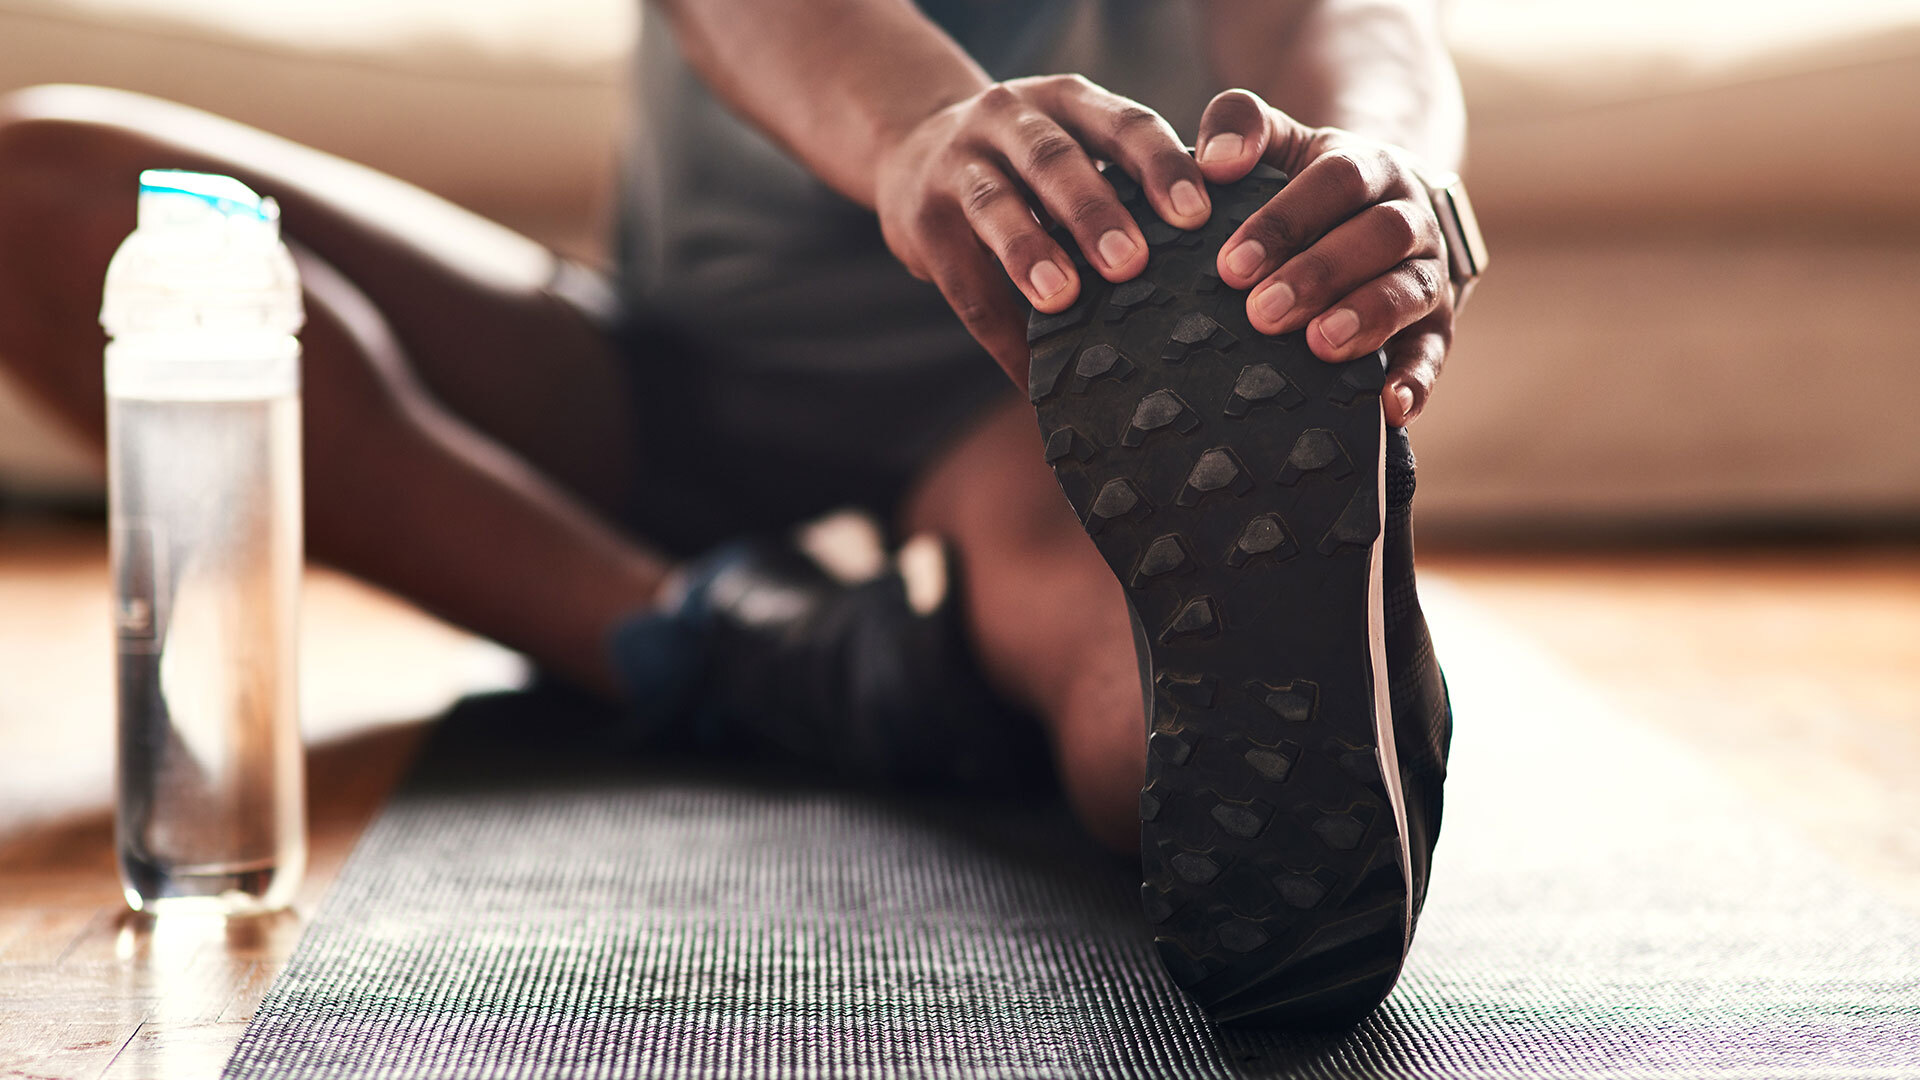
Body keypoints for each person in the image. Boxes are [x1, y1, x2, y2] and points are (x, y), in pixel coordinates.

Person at [0, 0, 1476, 1025]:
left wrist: (1383, 166)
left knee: (1151, 683)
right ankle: (730, 644)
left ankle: (1312, 708)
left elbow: (1349, 28)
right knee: (44, 190)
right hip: (665, 375)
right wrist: (923, 132)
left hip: (1041, 384)